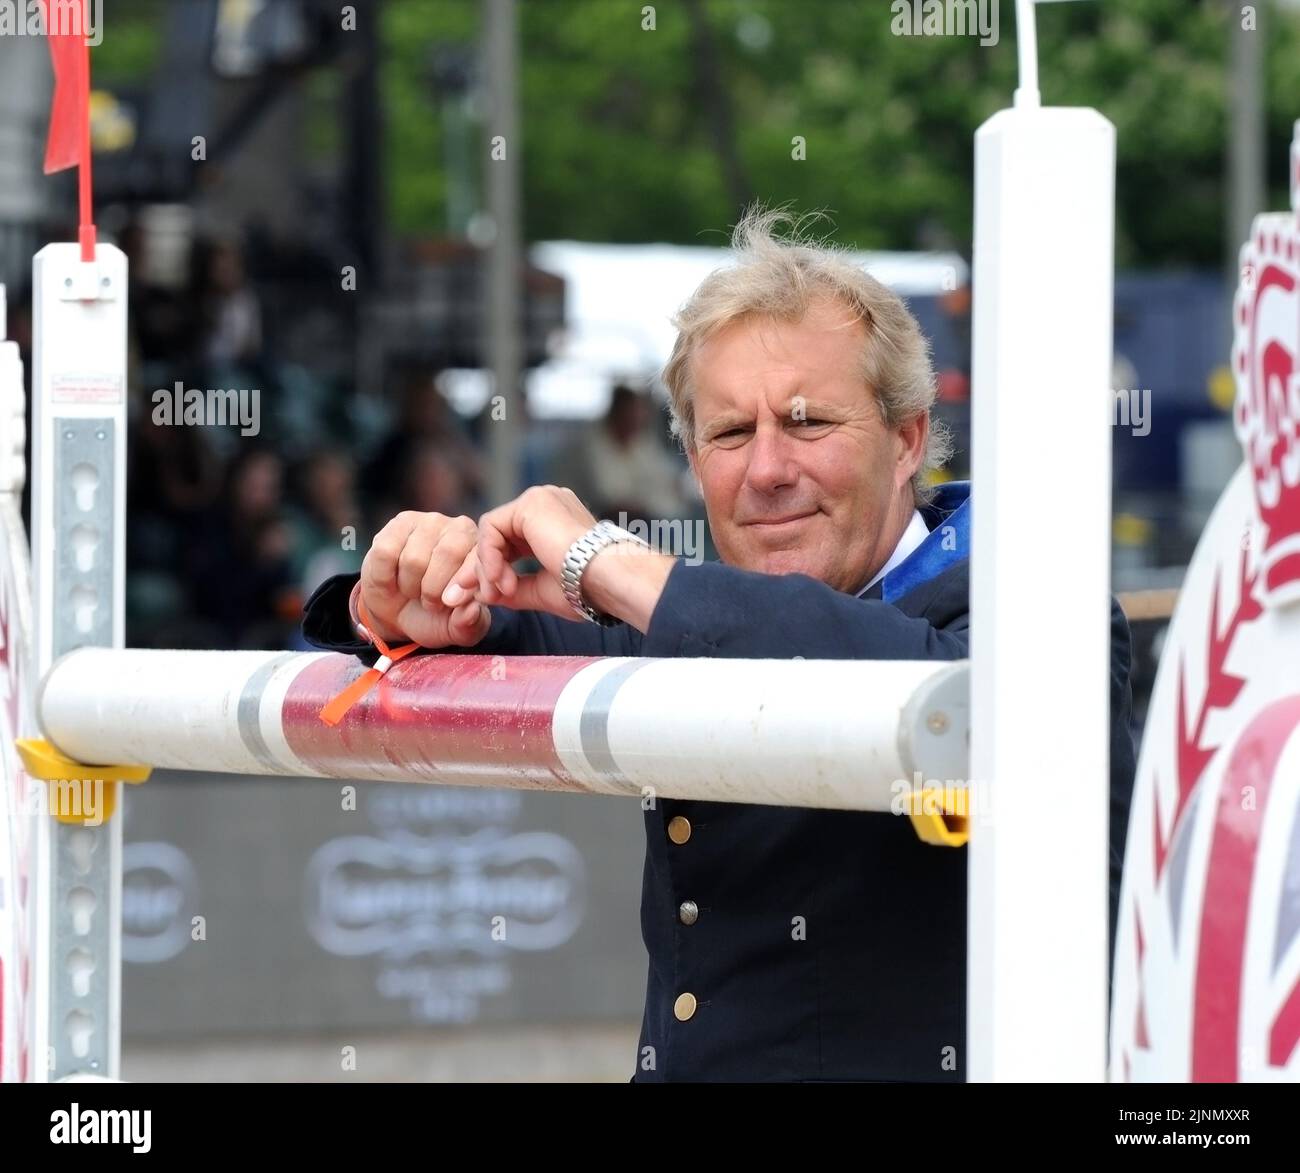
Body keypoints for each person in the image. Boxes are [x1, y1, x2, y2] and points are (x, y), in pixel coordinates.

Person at [302, 208, 1136, 1082]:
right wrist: (409, 599)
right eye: (731, 434)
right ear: (694, 461)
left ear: (908, 440)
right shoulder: (686, 613)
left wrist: (607, 559)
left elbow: (916, 683)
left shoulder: (1044, 612)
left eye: (808, 422)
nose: (768, 471)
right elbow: (493, 637)